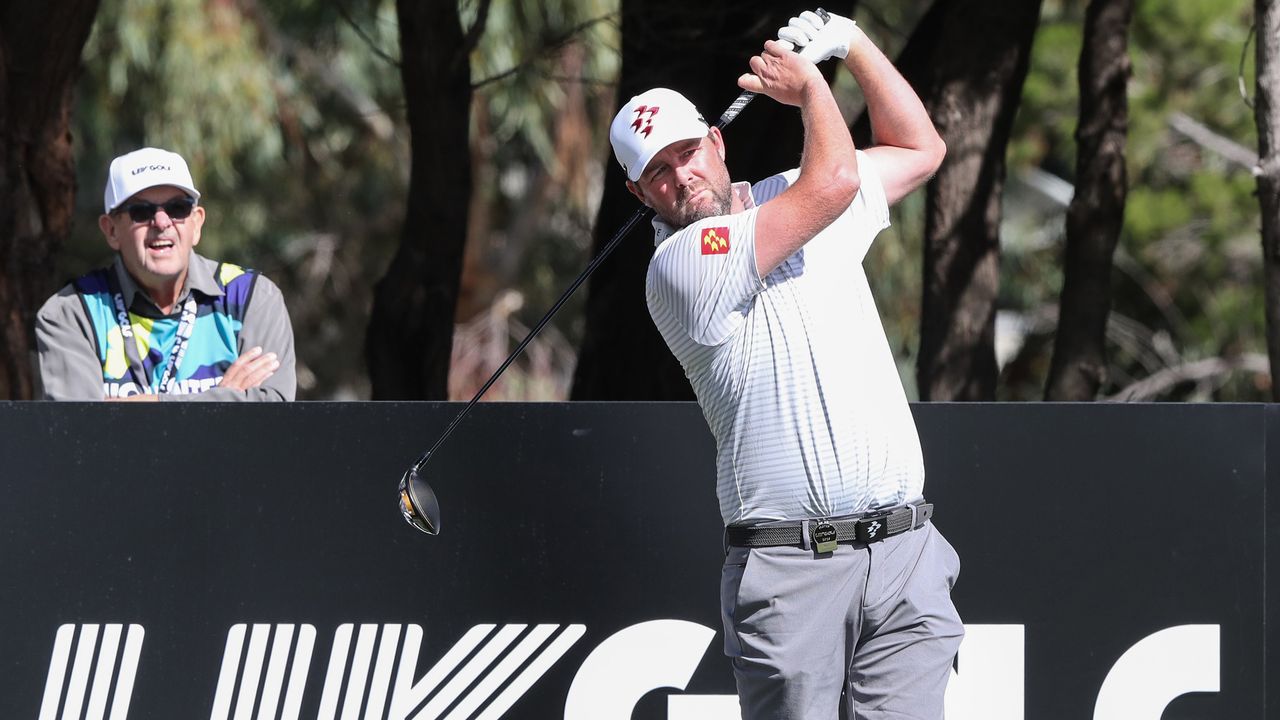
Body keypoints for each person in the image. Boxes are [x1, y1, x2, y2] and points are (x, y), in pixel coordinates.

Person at [608, 10, 961, 719]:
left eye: (687, 151)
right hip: (792, 572)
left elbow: (920, 149)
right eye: (658, 172)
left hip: (903, 554)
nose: (682, 176)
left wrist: (854, 45)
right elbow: (831, 183)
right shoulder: (678, 267)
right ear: (640, 195)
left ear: (716, 140)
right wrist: (811, 88)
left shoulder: (786, 193)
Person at [35, 147, 296, 401]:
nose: (161, 222)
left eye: (177, 208)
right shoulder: (71, 313)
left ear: (196, 223)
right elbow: (80, 432)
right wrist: (221, 401)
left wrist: (138, 406)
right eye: (141, 212)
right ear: (111, 230)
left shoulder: (253, 297)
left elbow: (271, 420)